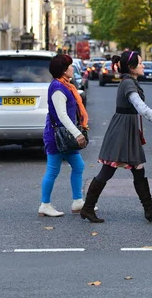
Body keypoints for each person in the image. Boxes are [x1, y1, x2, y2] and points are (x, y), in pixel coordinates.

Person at [80, 51, 152, 223]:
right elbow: (142, 108)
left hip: (128, 129)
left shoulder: (130, 82)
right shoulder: (128, 84)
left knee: (138, 168)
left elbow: (142, 108)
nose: (144, 65)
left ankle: (149, 209)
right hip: (122, 131)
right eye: (141, 63)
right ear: (131, 67)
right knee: (108, 170)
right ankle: (87, 208)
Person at [39, 55, 89, 217]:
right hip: (57, 136)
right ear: (63, 70)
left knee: (79, 166)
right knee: (53, 170)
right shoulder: (58, 88)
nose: (72, 68)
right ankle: (45, 205)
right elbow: (62, 115)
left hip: (65, 136)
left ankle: (78, 202)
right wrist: (77, 134)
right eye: (70, 66)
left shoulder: (65, 85)